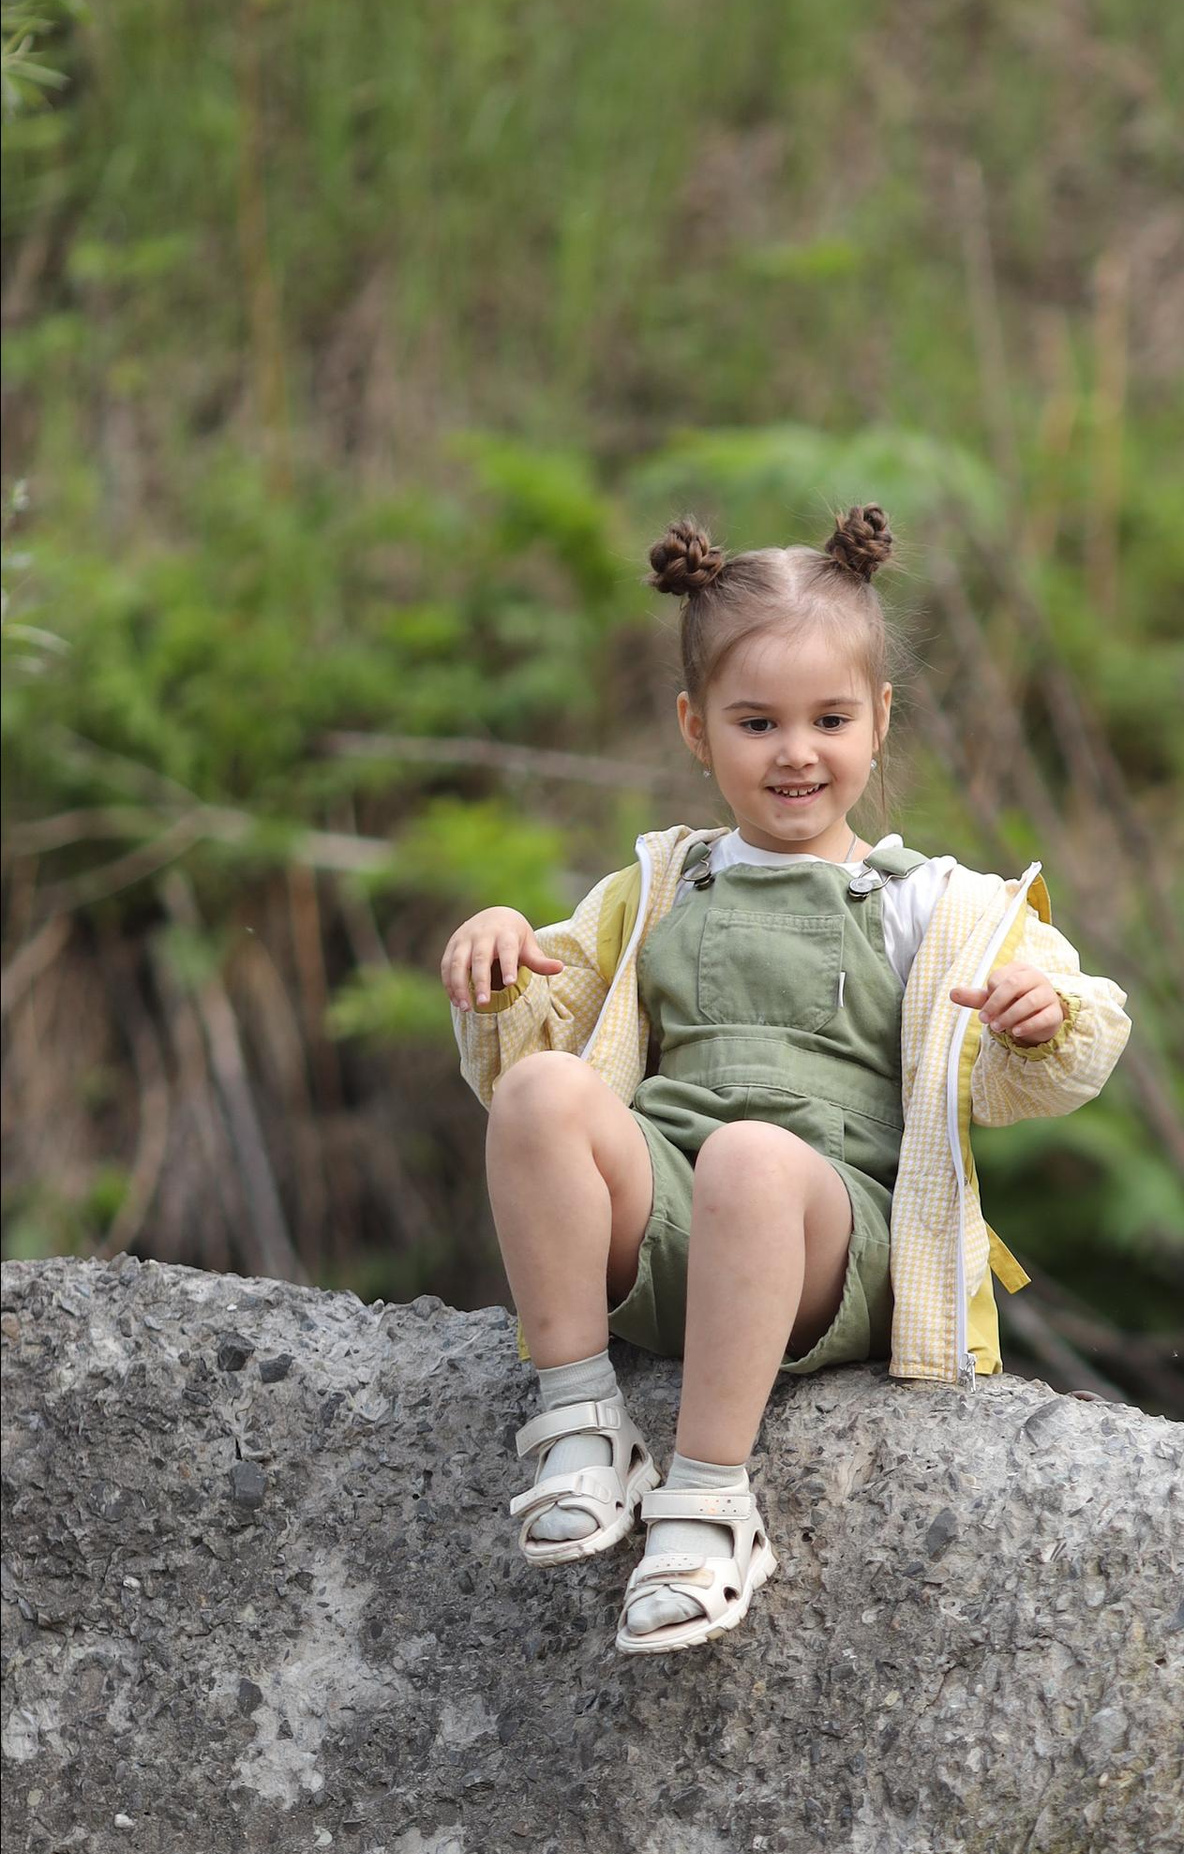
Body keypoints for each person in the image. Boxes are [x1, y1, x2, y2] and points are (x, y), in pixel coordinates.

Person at [441, 503, 1127, 1657]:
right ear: (694, 728)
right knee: (540, 1095)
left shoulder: (934, 903)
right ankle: (577, 1417)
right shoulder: (661, 884)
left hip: (825, 1248)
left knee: (752, 1158)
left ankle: (710, 1499)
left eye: (829, 719)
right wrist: (509, 961)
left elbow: (1077, 1037)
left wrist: (1035, 1017)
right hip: (666, 1227)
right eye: (756, 721)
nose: (795, 751)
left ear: (880, 723)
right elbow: (550, 1022)